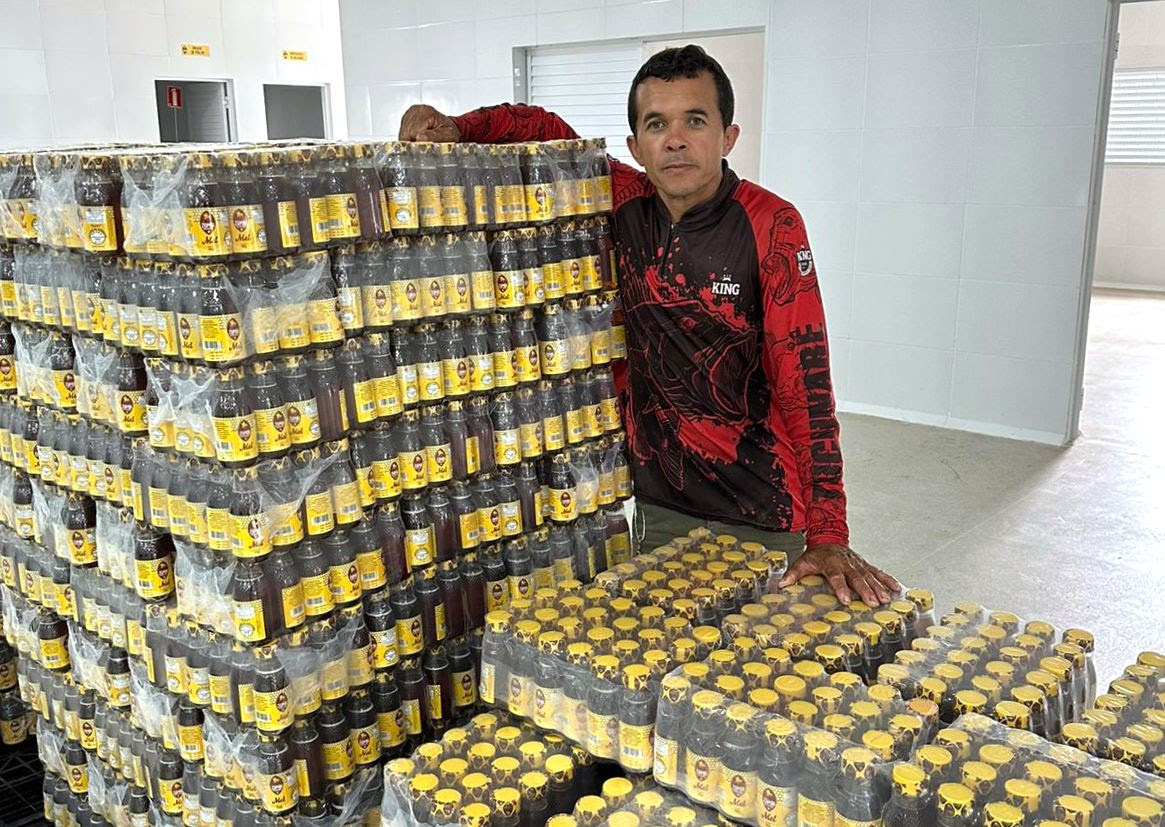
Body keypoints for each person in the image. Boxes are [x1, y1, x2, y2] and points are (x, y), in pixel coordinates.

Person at [399, 45, 899, 606]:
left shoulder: (770, 224)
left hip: (764, 510)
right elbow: (543, 130)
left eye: (695, 120)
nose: (675, 140)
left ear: (728, 137)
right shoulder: (624, 202)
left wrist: (828, 532)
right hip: (662, 505)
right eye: (657, 124)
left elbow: (806, 386)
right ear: (636, 145)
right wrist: (457, 128)